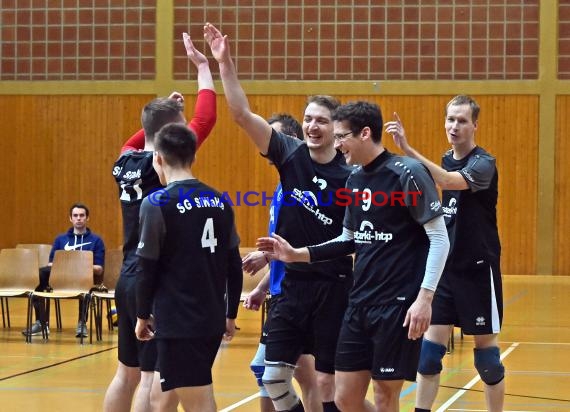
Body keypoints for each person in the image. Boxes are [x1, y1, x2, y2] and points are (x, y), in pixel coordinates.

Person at [258, 101, 450, 412]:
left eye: (341, 137)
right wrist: (297, 254)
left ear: (364, 133)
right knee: (344, 397)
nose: (336, 145)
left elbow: (440, 238)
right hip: (359, 302)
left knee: (385, 396)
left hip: (397, 305)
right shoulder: (355, 179)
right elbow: (348, 239)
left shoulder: (407, 173)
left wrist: (425, 298)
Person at [205, 23, 354, 412]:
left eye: (321, 120)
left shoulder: (351, 173)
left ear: (336, 128)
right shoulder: (289, 153)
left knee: (325, 382)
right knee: (272, 377)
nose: (312, 125)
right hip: (291, 288)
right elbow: (240, 114)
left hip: (333, 282)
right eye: (307, 119)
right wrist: (225, 63)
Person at [104, 32, 216, 412]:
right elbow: (206, 116)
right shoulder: (164, 163)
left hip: (127, 275)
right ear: (173, 134)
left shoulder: (124, 162)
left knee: (125, 373)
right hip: (153, 280)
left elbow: (138, 139)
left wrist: (160, 114)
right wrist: (203, 68)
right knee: (151, 378)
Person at [384, 95, 504, 412]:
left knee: (488, 360)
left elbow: (450, 181)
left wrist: (408, 151)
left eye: (461, 120)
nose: (454, 126)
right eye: (450, 119)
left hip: (478, 270)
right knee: (428, 355)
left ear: (474, 125)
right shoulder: (445, 159)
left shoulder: (483, 163)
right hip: (447, 272)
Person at [134, 122, 243, 412]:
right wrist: (230, 314)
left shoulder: (157, 203)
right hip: (208, 317)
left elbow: (146, 268)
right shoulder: (220, 201)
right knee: (160, 399)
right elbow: (233, 264)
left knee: (199, 403)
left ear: (158, 158)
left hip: (180, 322)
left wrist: (141, 315)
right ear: (194, 157)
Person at [243, 114, 322, 412]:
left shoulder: (303, 190)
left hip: (299, 295)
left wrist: (265, 257)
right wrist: (263, 286)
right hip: (280, 293)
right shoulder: (282, 187)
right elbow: (282, 249)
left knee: (305, 378)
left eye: (271, 138)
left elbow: (301, 246)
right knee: (272, 374)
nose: (265, 147)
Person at [22, 203, 105, 338]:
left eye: (82, 215)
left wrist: (77, 267)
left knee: (84, 281)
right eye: (75, 215)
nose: (79, 218)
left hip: (83, 278)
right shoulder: (61, 239)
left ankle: (82, 323)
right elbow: (50, 263)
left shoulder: (96, 241)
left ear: (87, 218)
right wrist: (69, 267)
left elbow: (99, 269)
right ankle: (42, 323)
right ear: (70, 218)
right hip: (61, 277)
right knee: (39, 275)